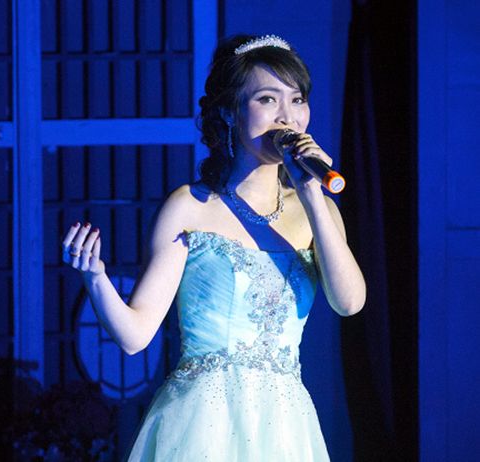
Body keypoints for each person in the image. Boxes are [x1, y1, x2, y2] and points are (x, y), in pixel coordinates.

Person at [62, 34, 366, 461]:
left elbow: (349, 303)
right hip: (204, 423)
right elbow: (135, 336)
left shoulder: (318, 210)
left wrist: (313, 196)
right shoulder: (190, 207)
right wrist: (95, 277)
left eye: (297, 100)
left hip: (285, 426)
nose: (287, 116)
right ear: (229, 111)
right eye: (267, 99)